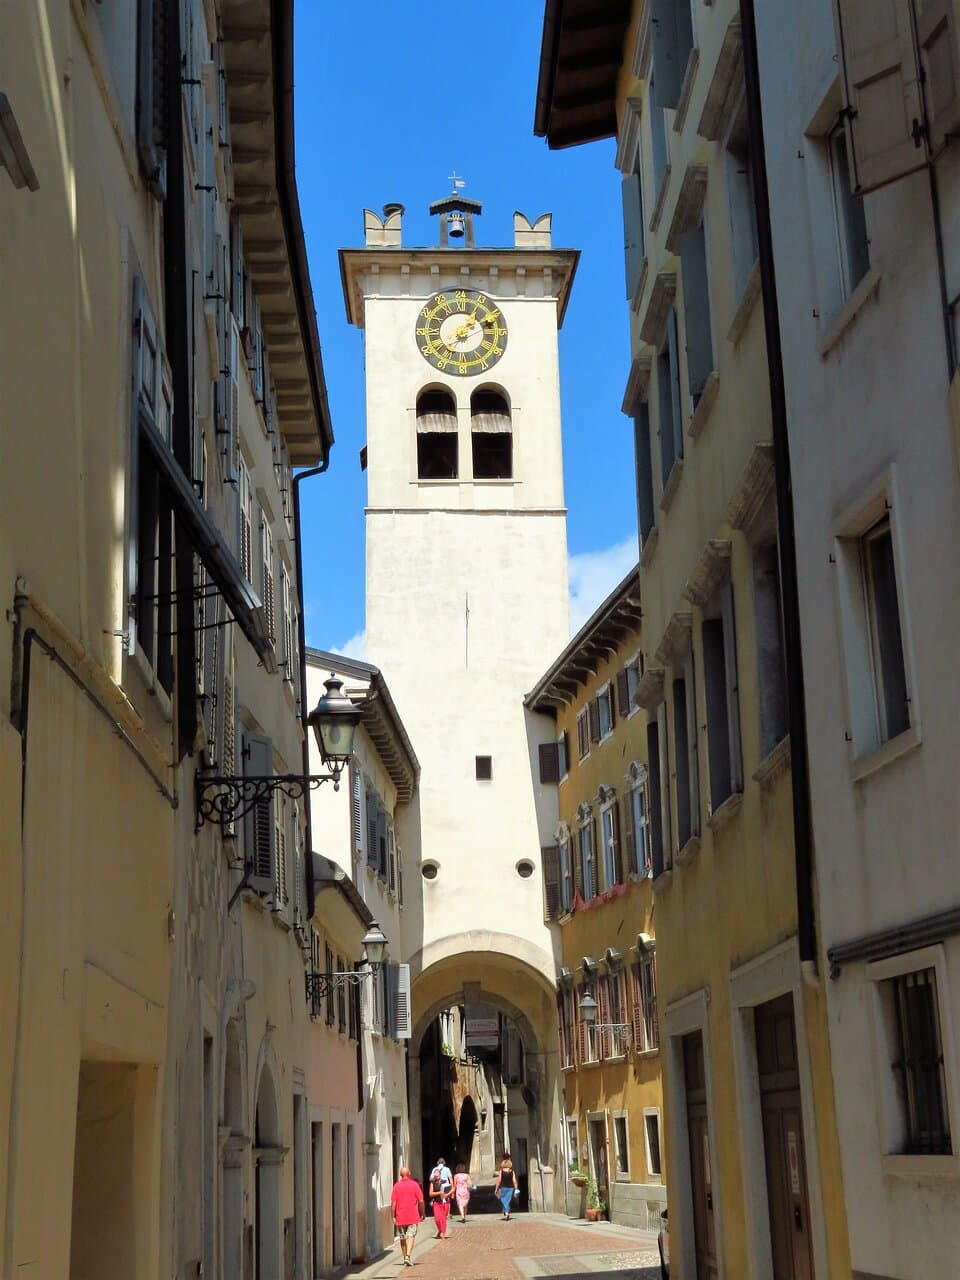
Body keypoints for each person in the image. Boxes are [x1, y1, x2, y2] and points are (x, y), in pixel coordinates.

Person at [391, 1165, 425, 1268]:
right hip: (412, 1216)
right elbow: (421, 1201)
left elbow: (393, 1203)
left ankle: (405, 1257)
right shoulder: (414, 1185)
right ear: (409, 1174)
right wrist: (422, 1212)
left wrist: (393, 1216)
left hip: (400, 1216)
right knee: (410, 1236)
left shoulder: (396, 1186)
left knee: (402, 1237)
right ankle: (408, 1256)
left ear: (401, 1175)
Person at [428, 1163, 452, 1239]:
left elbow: (452, 1189)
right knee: (437, 1219)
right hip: (436, 1202)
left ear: (440, 1175)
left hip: (445, 1202)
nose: (436, 1177)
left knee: (443, 1219)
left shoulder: (445, 1181)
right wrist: (439, 1193)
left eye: (437, 1176)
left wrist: (447, 1194)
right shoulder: (432, 1183)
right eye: (435, 1176)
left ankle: (443, 1233)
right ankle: (440, 1230)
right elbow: (430, 1194)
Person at [493, 1153, 518, 1220]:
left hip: (503, 1187)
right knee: (508, 1200)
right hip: (510, 1188)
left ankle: (506, 1213)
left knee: (503, 1200)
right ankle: (506, 1211)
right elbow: (514, 1181)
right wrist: (516, 1189)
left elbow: (499, 1181)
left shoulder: (501, 1171)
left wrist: (496, 1189)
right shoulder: (512, 1171)